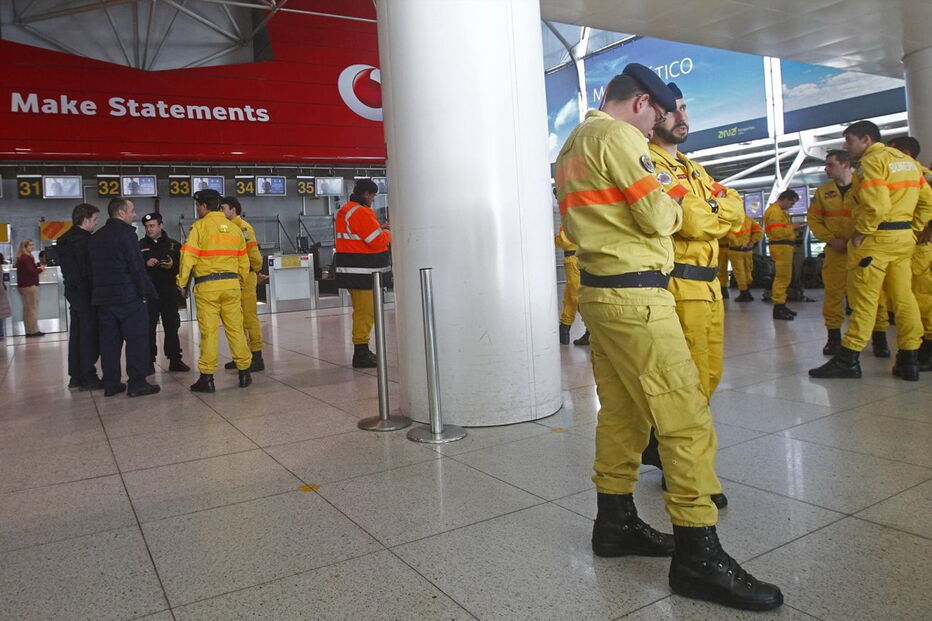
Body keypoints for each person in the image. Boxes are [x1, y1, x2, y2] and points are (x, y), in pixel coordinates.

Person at [555, 63, 782, 611]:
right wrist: (682, 206)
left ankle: (615, 523)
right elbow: (659, 217)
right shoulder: (618, 137)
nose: (656, 125)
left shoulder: (572, 145)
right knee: (685, 420)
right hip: (637, 296)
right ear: (641, 104)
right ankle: (699, 557)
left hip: (601, 293)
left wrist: (677, 202)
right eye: (657, 114)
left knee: (623, 416)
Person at [644, 81, 744, 511]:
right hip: (680, 286)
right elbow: (693, 221)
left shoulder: (694, 168)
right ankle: (691, 474)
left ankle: (665, 448)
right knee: (688, 386)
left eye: (685, 108)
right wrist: (717, 212)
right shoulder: (650, 163)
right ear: (653, 116)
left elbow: (736, 208)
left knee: (709, 378)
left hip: (708, 287)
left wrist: (715, 211)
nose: (682, 117)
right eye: (672, 110)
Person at [810, 121, 932, 381]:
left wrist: (862, 231)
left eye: (849, 140)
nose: (845, 146)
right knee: (904, 298)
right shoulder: (909, 163)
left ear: (866, 139)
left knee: (864, 301)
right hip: (902, 239)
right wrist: (912, 228)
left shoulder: (872, 162)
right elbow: (927, 201)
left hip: (876, 241)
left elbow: (877, 206)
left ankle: (849, 358)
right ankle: (909, 359)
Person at [808, 150, 890, 357]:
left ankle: (880, 338)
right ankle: (834, 338)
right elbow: (814, 220)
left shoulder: (864, 185)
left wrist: (861, 235)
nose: (826, 169)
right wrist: (830, 239)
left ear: (845, 164)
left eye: (830, 164)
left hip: (863, 249)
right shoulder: (823, 192)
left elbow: (878, 211)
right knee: (833, 295)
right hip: (836, 251)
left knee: (873, 295)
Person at [177, 189, 252, 393]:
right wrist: (240, 282)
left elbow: (188, 257)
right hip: (231, 286)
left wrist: (181, 283)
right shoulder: (235, 229)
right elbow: (244, 261)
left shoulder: (199, 227)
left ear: (203, 206)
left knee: (209, 333)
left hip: (208, 288)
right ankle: (245, 372)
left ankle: (207, 378)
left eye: (198, 206)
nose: (197, 209)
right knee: (235, 329)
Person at [87, 198, 160, 398]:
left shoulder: (95, 237)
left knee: (109, 343)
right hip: (128, 297)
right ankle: (137, 383)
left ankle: (111, 384)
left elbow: (91, 270)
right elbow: (136, 267)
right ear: (121, 213)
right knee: (137, 340)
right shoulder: (127, 235)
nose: (134, 214)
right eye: (132, 210)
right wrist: (149, 292)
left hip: (103, 299)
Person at [333, 179, 392, 368]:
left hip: (353, 270)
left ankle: (362, 349)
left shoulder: (347, 210)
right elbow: (376, 241)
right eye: (372, 195)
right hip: (363, 272)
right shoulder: (361, 211)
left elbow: (362, 236)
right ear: (365, 194)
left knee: (362, 311)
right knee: (365, 312)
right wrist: (390, 232)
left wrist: (380, 229)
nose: (373, 199)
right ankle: (361, 352)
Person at [886, 136, 932, 371]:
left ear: (904, 152)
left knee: (921, 297)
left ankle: (927, 349)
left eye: (892, 151)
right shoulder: (906, 174)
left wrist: (923, 228)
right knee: (909, 297)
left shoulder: (922, 175)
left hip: (919, 247)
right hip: (906, 244)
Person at [57, 203, 102, 389]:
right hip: (87, 294)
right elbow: (89, 271)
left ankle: (75, 376)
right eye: (94, 219)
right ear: (85, 220)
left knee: (76, 335)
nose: (96, 223)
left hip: (72, 293)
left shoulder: (63, 240)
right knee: (89, 335)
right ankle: (88, 375)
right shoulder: (87, 241)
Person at [220, 197, 266, 372]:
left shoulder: (244, 228)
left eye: (223, 208)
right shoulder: (226, 228)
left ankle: (257, 356)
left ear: (233, 210)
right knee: (235, 320)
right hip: (233, 278)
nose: (221, 211)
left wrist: (255, 270)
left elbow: (254, 254)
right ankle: (241, 355)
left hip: (246, 277)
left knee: (248, 317)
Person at [140, 212, 189, 374]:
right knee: (148, 327)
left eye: (152, 226)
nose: (149, 229)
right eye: (147, 226)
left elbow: (183, 267)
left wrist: (172, 265)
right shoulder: (140, 245)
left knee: (172, 325)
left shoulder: (173, 245)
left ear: (160, 226)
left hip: (168, 291)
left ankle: (175, 359)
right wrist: (146, 263)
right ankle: (148, 361)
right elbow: (135, 267)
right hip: (149, 293)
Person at [763, 190, 801, 320]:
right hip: (780, 247)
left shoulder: (780, 212)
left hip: (784, 247)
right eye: (791, 203)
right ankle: (778, 307)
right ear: (784, 199)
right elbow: (777, 232)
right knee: (782, 277)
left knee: (785, 277)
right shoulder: (774, 212)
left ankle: (781, 304)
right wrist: (792, 227)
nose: (791, 206)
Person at [555, 224, 589, 345]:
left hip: (573, 260)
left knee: (575, 296)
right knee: (570, 296)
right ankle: (564, 330)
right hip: (575, 260)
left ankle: (591, 329)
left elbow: (563, 241)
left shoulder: (570, 220)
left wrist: (554, 238)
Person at [726, 213, 763, 302]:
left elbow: (729, 234)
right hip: (748, 250)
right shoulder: (748, 219)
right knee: (748, 270)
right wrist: (752, 242)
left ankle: (744, 293)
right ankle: (748, 291)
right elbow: (759, 231)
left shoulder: (730, 220)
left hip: (736, 251)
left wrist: (737, 244)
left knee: (739, 272)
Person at [15, 239, 45, 337]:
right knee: (32, 309)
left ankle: (28, 331)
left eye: (32, 245)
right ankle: (34, 330)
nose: (32, 247)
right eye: (30, 245)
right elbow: (31, 272)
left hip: (23, 286)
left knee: (27, 309)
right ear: (25, 247)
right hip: (30, 285)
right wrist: (41, 269)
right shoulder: (27, 257)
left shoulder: (21, 257)